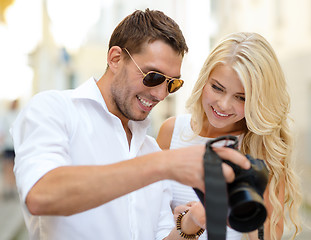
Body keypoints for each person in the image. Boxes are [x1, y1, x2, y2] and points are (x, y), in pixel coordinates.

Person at [11, 9, 251, 240]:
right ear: (115, 58)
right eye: (153, 77)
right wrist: (165, 164)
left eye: (171, 84)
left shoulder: (150, 149)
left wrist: (193, 223)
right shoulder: (54, 109)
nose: (160, 94)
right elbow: (41, 194)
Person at [157, 32, 302, 240]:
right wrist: (188, 222)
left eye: (241, 97)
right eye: (217, 88)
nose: (223, 105)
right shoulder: (171, 132)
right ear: (204, 80)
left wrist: (236, 210)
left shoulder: (261, 149)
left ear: (258, 101)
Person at [0, 99, 19, 199]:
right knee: (7, 167)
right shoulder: (6, 116)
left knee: (14, 168)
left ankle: (12, 188)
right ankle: (7, 188)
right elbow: (2, 132)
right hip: (7, 145)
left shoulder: (18, 114)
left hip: (14, 146)